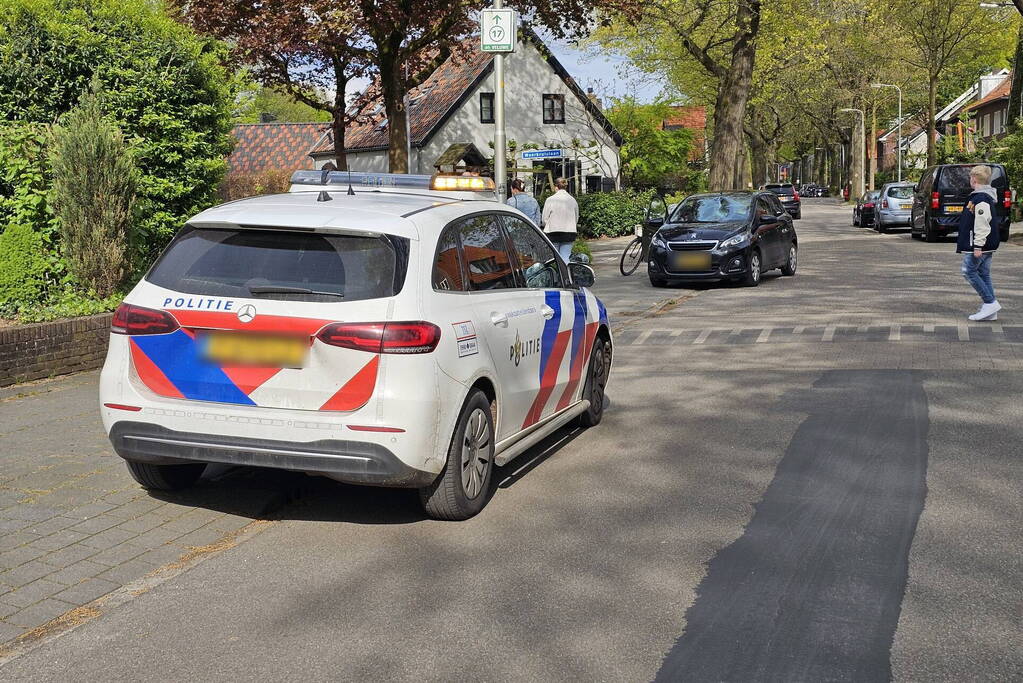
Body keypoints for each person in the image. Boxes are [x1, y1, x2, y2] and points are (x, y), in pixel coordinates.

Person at [958, 165, 1001, 321]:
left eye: (970, 178)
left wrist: (978, 246)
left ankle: (990, 303)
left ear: (974, 179)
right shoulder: (981, 197)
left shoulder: (981, 199)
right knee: (983, 273)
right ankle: (991, 310)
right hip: (985, 245)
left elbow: (982, 224)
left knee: (968, 271)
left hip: (979, 245)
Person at [541, 177, 578, 263]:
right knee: (565, 257)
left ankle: (556, 275)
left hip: (553, 232)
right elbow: (576, 218)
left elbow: (544, 219)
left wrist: (547, 224)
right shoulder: (573, 200)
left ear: (555, 186)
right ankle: (566, 275)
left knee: (554, 259)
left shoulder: (550, 200)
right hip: (569, 232)